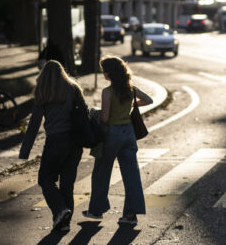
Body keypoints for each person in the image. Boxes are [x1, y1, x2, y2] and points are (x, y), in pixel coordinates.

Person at [85, 56, 152, 226]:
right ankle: (130, 215)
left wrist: (94, 113)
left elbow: (105, 118)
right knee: (131, 175)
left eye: (104, 70)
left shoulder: (107, 92)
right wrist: (129, 105)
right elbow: (148, 100)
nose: (103, 73)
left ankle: (96, 211)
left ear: (109, 73)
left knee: (102, 172)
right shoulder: (130, 88)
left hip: (112, 134)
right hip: (129, 133)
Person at [19, 60, 85, 233]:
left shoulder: (43, 91)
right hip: (75, 142)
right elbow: (84, 114)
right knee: (67, 185)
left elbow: (34, 123)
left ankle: (60, 211)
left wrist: (25, 151)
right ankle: (64, 222)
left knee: (45, 179)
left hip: (56, 141)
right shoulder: (74, 88)